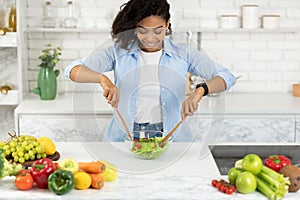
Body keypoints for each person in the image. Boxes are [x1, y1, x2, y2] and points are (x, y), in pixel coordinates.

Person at [64, 0, 236, 142]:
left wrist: (199, 91)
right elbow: (72, 70)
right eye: (142, 31)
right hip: (124, 138)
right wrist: (102, 79)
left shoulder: (183, 52)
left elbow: (226, 76)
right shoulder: (119, 50)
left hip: (172, 139)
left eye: (158, 31)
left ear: (168, 25)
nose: (150, 38)